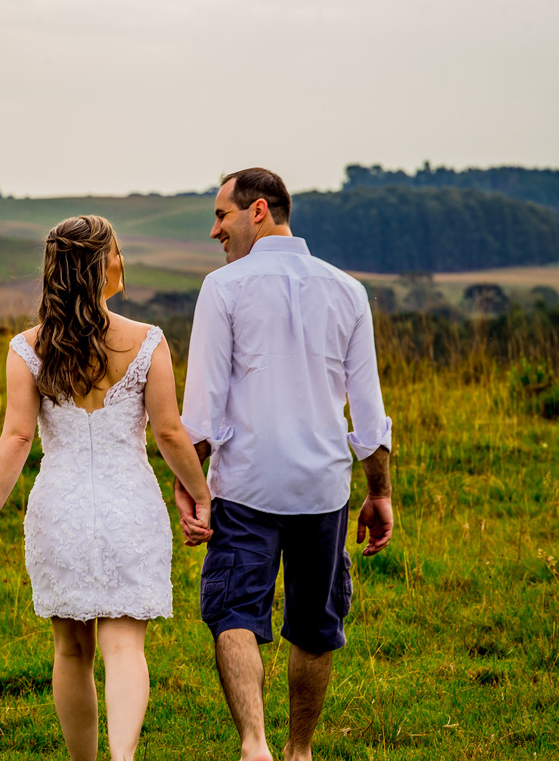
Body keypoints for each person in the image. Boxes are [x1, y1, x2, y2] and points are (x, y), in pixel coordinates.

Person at [0, 215, 213, 761]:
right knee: (124, 643)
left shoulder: (27, 349)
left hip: (62, 508)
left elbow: (16, 436)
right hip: (129, 505)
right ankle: (122, 759)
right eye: (118, 252)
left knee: (71, 649)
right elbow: (170, 433)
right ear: (100, 265)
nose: (123, 261)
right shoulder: (147, 341)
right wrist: (202, 495)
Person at [173, 168, 395, 761]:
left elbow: (200, 411)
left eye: (222, 215)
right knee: (315, 624)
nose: (215, 230)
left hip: (245, 483)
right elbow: (368, 415)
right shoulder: (349, 291)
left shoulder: (222, 289)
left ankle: (254, 745)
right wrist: (380, 493)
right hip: (324, 488)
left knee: (234, 610)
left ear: (259, 211)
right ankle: (299, 752)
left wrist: (191, 488)